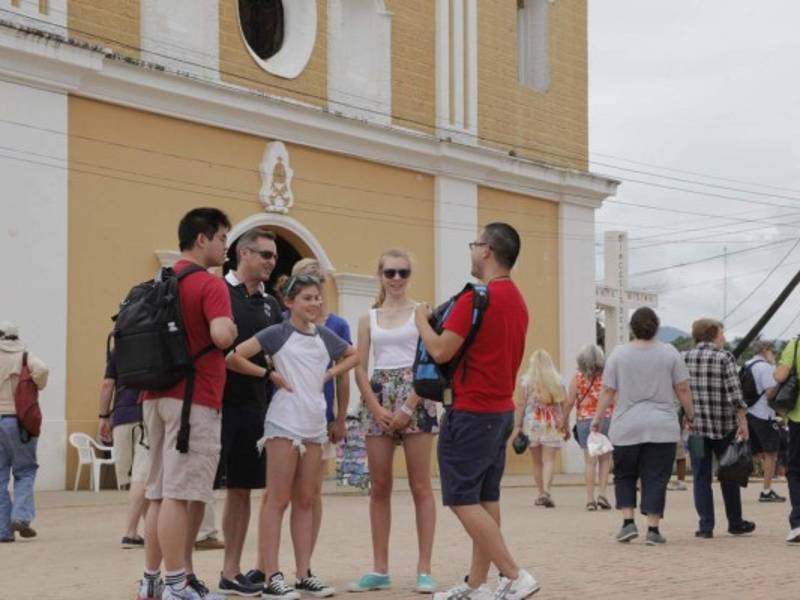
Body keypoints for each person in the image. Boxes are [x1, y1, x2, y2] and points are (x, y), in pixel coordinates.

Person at [417, 223, 539, 600]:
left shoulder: (476, 298)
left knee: (460, 498)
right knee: (486, 499)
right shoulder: (518, 300)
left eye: (475, 244)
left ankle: (514, 575)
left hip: (471, 411)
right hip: (500, 411)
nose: (471, 251)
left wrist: (420, 321)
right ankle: (477, 584)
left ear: (487, 250)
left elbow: (441, 350)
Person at [228, 274, 359, 599]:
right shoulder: (277, 333)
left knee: (305, 500)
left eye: (317, 297)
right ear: (289, 302)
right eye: (307, 298)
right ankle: (272, 576)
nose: (315, 303)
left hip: (314, 427)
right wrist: (268, 374)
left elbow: (355, 355)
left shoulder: (324, 335)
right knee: (277, 500)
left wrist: (332, 372)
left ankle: (304, 573)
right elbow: (233, 356)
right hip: (284, 425)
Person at [136, 208, 237, 600]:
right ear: (202, 239)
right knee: (178, 494)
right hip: (194, 399)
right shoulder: (209, 284)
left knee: (158, 493)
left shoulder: (159, 281)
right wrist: (230, 326)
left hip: (154, 395)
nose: (226, 246)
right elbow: (221, 336)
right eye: (222, 238)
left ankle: (151, 581)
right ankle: (177, 583)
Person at [349, 249, 438, 594]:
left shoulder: (422, 311)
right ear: (380, 275)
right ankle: (379, 568)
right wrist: (375, 407)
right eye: (390, 273)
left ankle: (424, 568)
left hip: (417, 395)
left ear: (410, 275)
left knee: (421, 486)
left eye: (403, 272)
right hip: (379, 396)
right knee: (380, 487)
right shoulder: (367, 318)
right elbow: (359, 365)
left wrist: (409, 406)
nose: (397, 278)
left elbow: (431, 359)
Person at [214, 228, 283, 596]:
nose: (272, 262)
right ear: (244, 254)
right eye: (266, 255)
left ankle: (231, 571)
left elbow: (276, 352)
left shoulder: (270, 303)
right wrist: (267, 372)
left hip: (254, 407)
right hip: (214, 404)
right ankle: (180, 575)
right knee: (196, 493)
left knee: (241, 489)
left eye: (274, 256)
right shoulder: (218, 292)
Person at [592, 307, 694, 545]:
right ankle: (653, 528)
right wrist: (691, 414)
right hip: (662, 426)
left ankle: (628, 522)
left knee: (625, 474)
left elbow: (607, 390)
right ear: (656, 326)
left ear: (632, 328)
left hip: (626, 425)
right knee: (656, 476)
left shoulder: (618, 355)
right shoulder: (670, 353)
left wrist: (597, 417)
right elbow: (682, 388)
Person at [682, 318, 755, 539]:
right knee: (729, 472)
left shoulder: (684, 357)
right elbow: (735, 394)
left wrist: (685, 416)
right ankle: (735, 522)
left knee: (700, 476)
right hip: (724, 427)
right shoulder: (724, 358)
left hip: (696, 429)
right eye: (721, 334)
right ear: (713, 334)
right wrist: (743, 421)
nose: (723, 338)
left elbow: (680, 390)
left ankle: (705, 526)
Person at [0, 322, 48, 542]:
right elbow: (42, 370)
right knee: (25, 470)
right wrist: (37, 384)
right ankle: (21, 516)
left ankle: (3, 530)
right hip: (18, 421)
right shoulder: (24, 356)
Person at [98, 349, 150, 548]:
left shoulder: (118, 349)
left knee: (135, 478)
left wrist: (103, 417)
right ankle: (130, 532)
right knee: (142, 478)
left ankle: (151, 531)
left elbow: (107, 385)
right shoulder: (154, 340)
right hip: (146, 415)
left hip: (121, 417)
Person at [562, 344, 613, 511]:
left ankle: (590, 499)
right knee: (605, 459)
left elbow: (569, 402)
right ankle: (603, 494)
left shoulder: (577, 378)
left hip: (584, 421)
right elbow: (614, 398)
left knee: (590, 462)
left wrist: (563, 422)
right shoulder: (607, 377)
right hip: (605, 418)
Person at [515, 349, 566, 509]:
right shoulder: (558, 381)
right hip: (551, 422)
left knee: (536, 462)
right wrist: (565, 424)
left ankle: (540, 493)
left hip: (532, 423)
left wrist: (517, 425)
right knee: (549, 460)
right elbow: (562, 404)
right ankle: (547, 491)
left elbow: (521, 405)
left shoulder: (525, 382)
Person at [744, 340, 785, 502]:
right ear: (765, 350)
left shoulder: (748, 364)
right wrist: (780, 381)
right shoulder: (765, 367)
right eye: (772, 351)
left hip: (749, 412)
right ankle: (766, 491)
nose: (774, 354)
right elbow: (770, 393)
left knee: (758, 451)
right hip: (764, 414)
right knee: (771, 453)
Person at [772, 336, 800, 543]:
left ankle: (798, 523)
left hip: (798, 417)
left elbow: (780, 375)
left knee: (796, 469)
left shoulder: (796, 344)